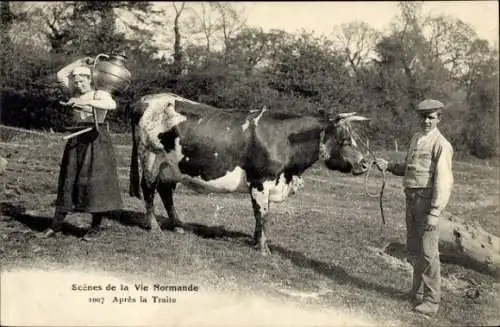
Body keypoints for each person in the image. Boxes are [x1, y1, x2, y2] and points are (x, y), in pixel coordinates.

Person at [374, 99, 454, 316]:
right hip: (411, 199)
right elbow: (411, 169)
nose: (426, 121)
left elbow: (443, 182)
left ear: (439, 118)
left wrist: (435, 213)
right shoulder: (416, 139)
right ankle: (416, 293)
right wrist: (389, 166)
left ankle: (432, 300)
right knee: (415, 249)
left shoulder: (442, 145)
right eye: (423, 117)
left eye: (431, 117)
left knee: (429, 253)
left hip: (427, 203)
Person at [42, 57, 123, 241]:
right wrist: (80, 61)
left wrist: (83, 104)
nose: (79, 84)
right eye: (76, 81)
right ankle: (56, 225)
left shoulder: (100, 94)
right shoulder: (74, 92)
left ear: (90, 80)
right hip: (76, 137)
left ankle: (95, 227)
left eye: (82, 80)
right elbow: (60, 75)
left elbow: (112, 105)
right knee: (68, 180)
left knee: (96, 184)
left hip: (96, 138)